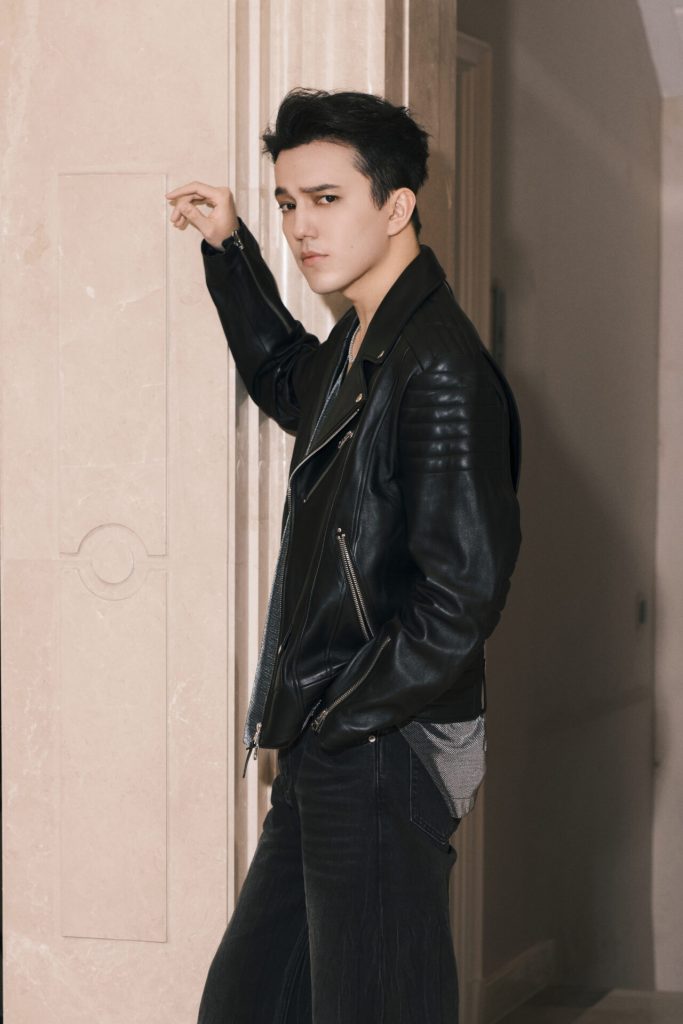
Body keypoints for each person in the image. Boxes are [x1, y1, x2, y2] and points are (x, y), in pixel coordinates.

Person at [166, 87, 522, 1024]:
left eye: (327, 199)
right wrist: (230, 248)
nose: (302, 226)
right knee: (249, 1003)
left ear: (396, 206)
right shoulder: (365, 340)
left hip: (379, 739)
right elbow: (288, 378)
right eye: (288, 202)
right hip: (337, 741)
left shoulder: (435, 366)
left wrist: (343, 717)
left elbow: (462, 591)